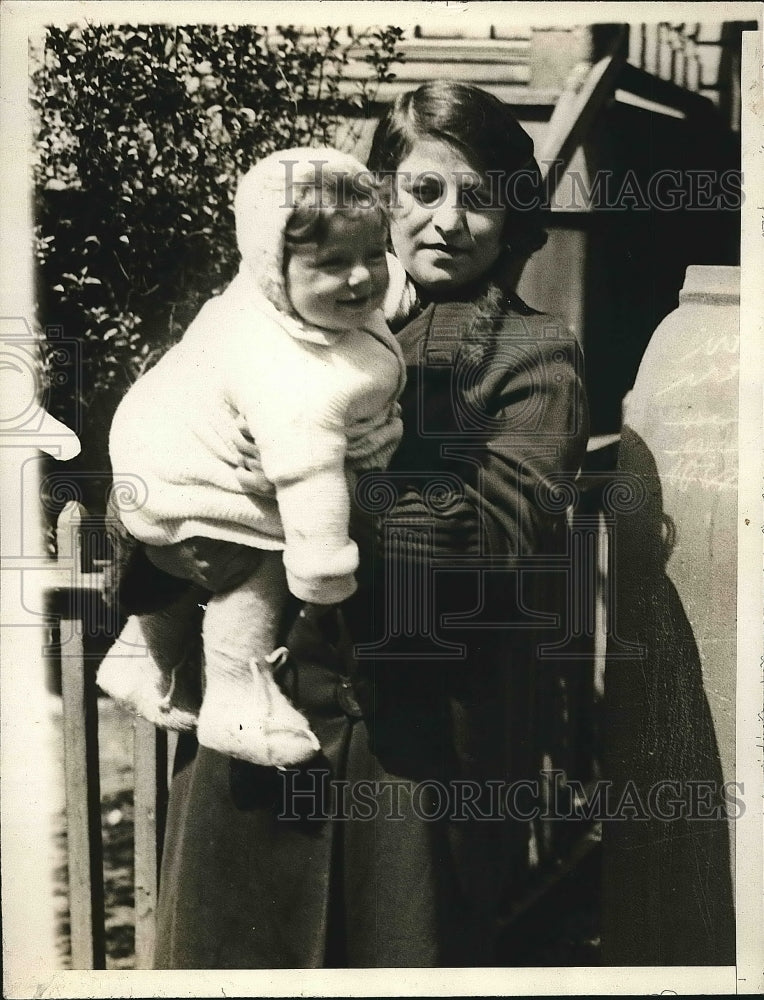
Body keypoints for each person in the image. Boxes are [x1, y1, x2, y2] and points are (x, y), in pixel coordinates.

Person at [118, 81, 589, 968]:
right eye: (422, 191)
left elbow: (489, 539)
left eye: (480, 198)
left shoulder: (534, 355)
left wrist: (303, 510)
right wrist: (160, 505)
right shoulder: (278, 321)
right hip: (254, 731)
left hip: (407, 760)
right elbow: (176, 438)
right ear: (381, 197)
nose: (449, 223)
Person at [98, 147, 408, 768]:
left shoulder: (298, 306)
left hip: (163, 454)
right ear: (275, 269)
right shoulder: (294, 374)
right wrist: (322, 573)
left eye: (375, 254)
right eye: (332, 263)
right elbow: (307, 474)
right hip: (189, 471)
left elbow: (377, 298)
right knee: (259, 556)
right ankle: (235, 702)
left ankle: (143, 656)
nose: (362, 279)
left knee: (214, 550)